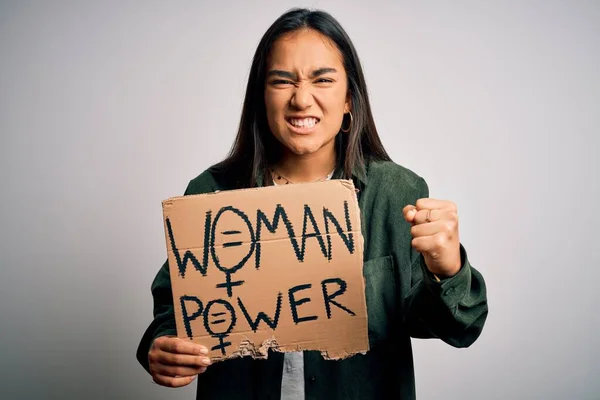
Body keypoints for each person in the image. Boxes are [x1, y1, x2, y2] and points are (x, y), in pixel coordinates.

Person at [136, 8, 488, 400]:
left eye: (322, 79)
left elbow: (459, 329)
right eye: (282, 81)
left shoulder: (397, 192)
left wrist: (447, 268)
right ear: (261, 98)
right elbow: (174, 307)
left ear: (349, 100)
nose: (301, 99)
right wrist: (163, 342)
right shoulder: (211, 193)